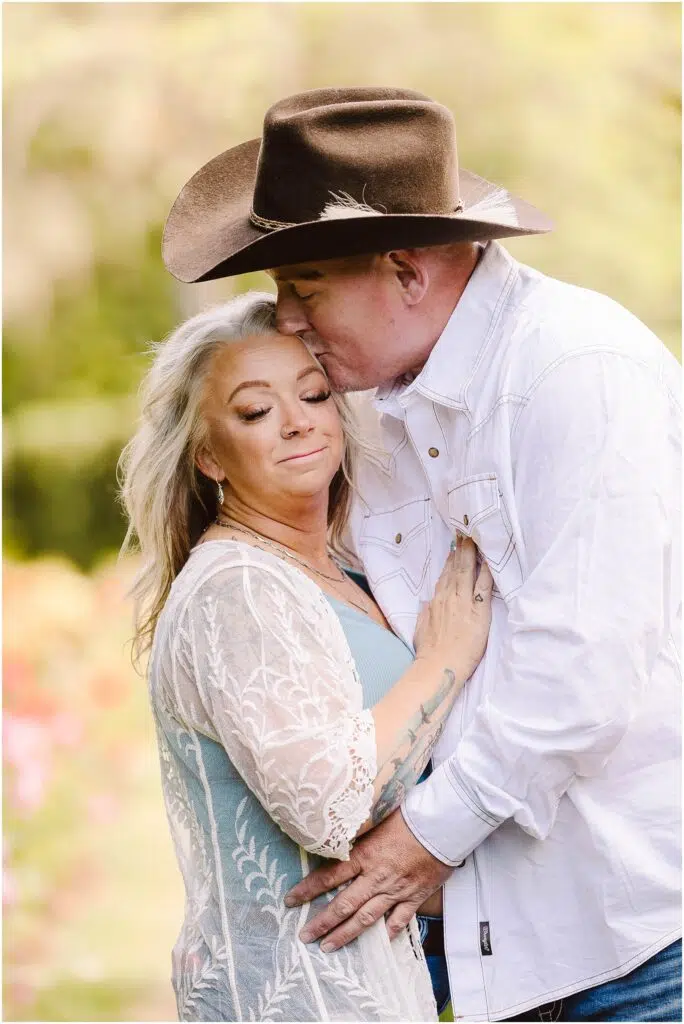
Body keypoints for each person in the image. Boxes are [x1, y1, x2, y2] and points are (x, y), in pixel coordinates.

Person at [161, 87, 682, 1022]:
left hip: (628, 946)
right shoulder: (366, 403)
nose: (286, 319)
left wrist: (421, 842)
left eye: (304, 287)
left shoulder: (575, 371)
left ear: (405, 271)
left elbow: (583, 673)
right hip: (486, 950)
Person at [118, 292, 493, 1021]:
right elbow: (327, 804)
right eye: (256, 411)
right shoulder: (236, 589)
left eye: (314, 395)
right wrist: (443, 659)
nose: (297, 421)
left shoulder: (340, 571)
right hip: (306, 999)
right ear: (207, 456)